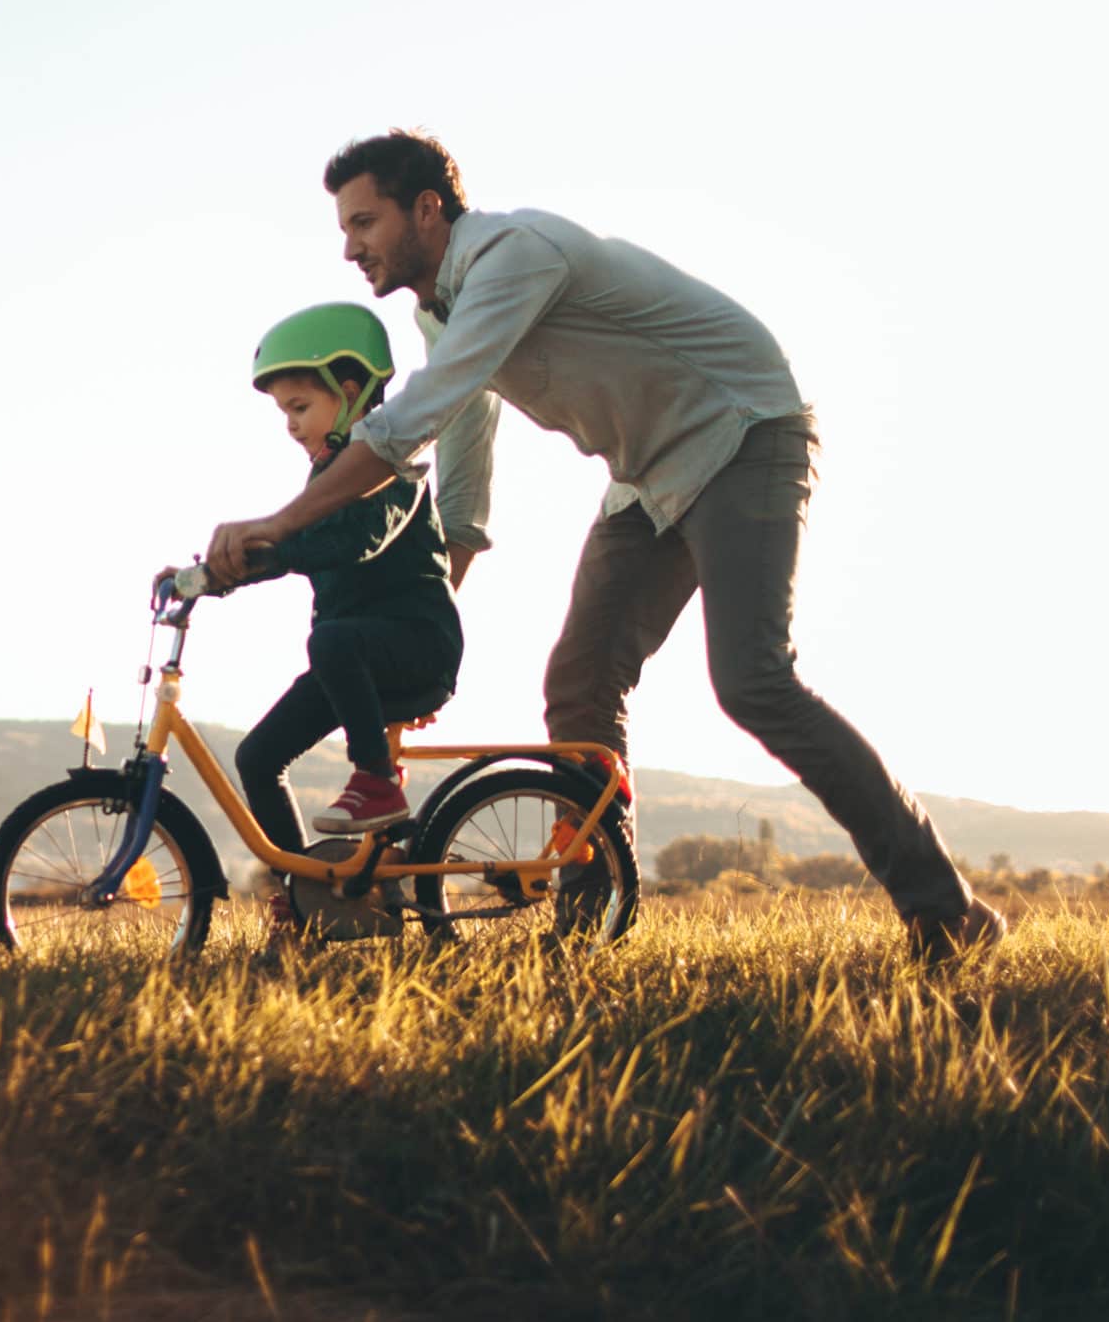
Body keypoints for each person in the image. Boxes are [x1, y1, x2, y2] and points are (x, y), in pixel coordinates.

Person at [201, 129, 1006, 961]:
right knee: (579, 685)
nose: (349, 246)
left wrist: (277, 523)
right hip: (645, 478)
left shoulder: (513, 257)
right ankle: (591, 922)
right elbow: (464, 449)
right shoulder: (439, 310)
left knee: (753, 679)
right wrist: (431, 612)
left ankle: (946, 911)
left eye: (364, 222)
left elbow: (412, 419)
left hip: (743, 431)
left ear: (428, 210)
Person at [165, 304, 464, 936]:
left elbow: (354, 542)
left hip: (415, 644)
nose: (291, 425)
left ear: (350, 391)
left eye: (299, 407)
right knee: (258, 757)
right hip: (351, 655)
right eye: (286, 413)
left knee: (328, 638)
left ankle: (377, 783)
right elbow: (298, 550)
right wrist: (209, 576)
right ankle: (307, 897)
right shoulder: (327, 474)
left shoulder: (390, 463)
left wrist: (270, 540)